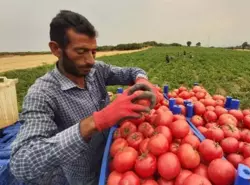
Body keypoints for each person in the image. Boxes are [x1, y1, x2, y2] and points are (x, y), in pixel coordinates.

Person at [9, 10, 158, 185]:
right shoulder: (42, 94)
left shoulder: (96, 71)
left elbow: (132, 71)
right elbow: (21, 163)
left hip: (113, 156)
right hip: (82, 175)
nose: (90, 60)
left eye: (93, 52)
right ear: (56, 49)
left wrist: (141, 79)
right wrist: (97, 121)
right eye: (81, 51)